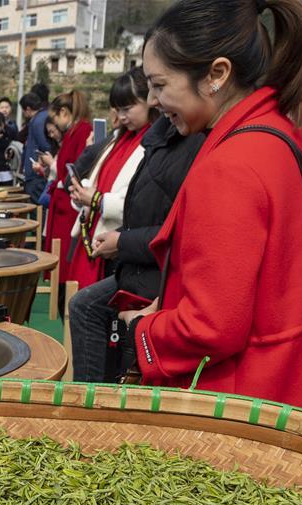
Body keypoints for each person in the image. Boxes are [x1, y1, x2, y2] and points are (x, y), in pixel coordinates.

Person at [121, 0, 302, 410]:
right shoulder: (275, 136)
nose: (154, 101)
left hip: (241, 399)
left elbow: (212, 327)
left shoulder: (230, 166)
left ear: (216, 75)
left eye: (160, 85)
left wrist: (143, 329)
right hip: (288, 383)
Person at [68, 113, 206, 383]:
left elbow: (177, 230)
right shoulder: (146, 139)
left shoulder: (190, 142)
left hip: (154, 272)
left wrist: (121, 239)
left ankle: (94, 403)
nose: (156, 99)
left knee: (89, 310)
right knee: (84, 306)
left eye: (160, 85)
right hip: (139, 261)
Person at [65, 67, 158, 290]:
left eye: (128, 108)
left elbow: (143, 204)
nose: (122, 116)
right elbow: (100, 181)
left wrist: (96, 200)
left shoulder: (153, 143)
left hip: (120, 245)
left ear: (149, 101)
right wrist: (82, 194)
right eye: (118, 109)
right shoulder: (119, 139)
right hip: (96, 237)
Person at [42, 90, 93, 300]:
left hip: (69, 208)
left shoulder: (81, 131)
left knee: (66, 266)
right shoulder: (75, 132)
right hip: (63, 205)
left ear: (63, 112)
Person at [19, 92, 51, 203]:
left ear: (28, 109)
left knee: (36, 210)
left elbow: (44, 146)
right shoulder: (45, 115)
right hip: (40, 174)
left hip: (35, 174)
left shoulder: (37, 121)